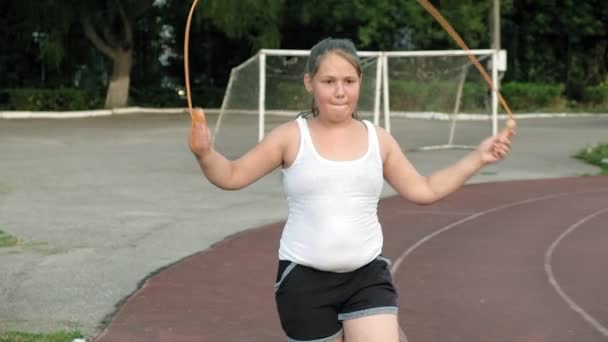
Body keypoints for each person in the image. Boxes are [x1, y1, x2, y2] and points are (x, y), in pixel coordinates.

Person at [188, 37, 512, 342]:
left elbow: (424, 189)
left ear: (360, 82)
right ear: (309, 83)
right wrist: (205, 154)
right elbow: (232, 176)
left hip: (366, 276)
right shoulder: (290, 137)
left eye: (349, 81)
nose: (340, 91)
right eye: (328, 82)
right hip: (304, 281)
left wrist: (478, 157)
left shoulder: (379, 139)